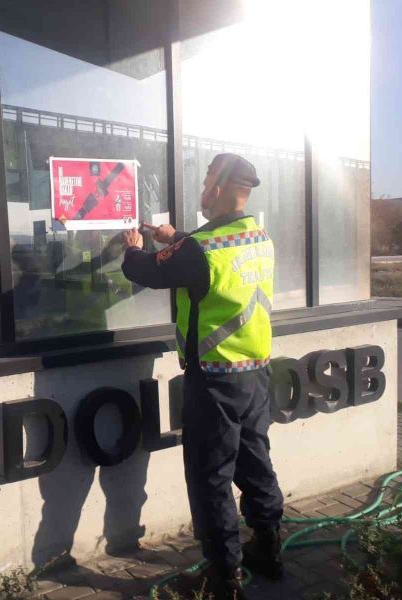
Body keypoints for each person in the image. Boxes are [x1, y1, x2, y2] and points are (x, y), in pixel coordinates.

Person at [120, 153, 284, 600]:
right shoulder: (258, 236)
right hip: (255, 372)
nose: (202, 187)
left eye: (208, 178)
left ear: (221, 186)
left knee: (210, 474)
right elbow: (202, 255)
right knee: (255, 459)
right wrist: (177, 238)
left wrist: (135, 245)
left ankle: (223, 577)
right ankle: (268, 547)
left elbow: (147, 271)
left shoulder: (199, 249)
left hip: (214, 381)